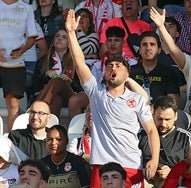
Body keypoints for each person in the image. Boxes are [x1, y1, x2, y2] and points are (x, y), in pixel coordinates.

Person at [66, 9, 160, 187]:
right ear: (104, 72)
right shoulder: (96, 93)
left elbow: (152, 131)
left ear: (127, 74)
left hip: (131, 164)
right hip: (101, 165)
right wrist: (71, 33)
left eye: (118, 66)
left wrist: (154, 160)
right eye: (110, 66)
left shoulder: (137, 99)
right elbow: (79, 63)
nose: (113, 68)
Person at [68, 26, 138, 119]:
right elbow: (93, 87)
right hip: (100, 94)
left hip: (124, 95)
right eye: (109, 40)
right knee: (74, 101)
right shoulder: (97, 65)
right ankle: (81, 132)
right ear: (106, 43)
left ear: (123, 42)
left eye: (116, 40)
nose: (112, 44)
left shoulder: (133, 63)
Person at [0, 0, 37, 132]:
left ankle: (12, 141)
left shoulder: (26, 8)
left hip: (15, 63)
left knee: (13, 105)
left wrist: (22, 50)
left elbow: (32, 37)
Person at [139, 96, 191, 187]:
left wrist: (172, 171)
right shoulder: (141, 135)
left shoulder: (185, 137)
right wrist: (144, 171)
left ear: (176, 116)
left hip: (173, 181)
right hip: (144, 180)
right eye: (160, 119)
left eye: (167, 119)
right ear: (153, 115)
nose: (163, 124)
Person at [30, 29, 83, 117]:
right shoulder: (44, 60)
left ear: (69, 44)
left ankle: (37, 110)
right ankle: (50, 128)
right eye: (57, 36)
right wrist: (46, 76)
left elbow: (83, 88)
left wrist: (70, 81)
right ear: (52, 42)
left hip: (70, 96)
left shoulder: (76, 61)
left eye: (64, 37)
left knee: (58, 81)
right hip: (52, 97)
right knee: (56, 99)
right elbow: (34, 86)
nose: (59, 39)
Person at [130, 31, 180, 107]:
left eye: (152, 44)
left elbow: (174, 102)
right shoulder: (130, 71)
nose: (148, 48)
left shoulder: (169, 72)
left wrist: (154, 108)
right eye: (144, 45)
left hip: (159, 115)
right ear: (139, 50)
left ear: (159, 50)